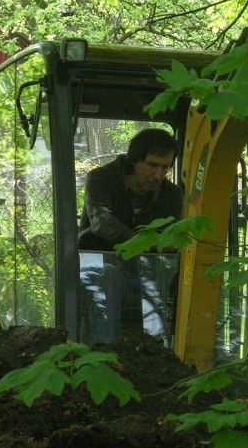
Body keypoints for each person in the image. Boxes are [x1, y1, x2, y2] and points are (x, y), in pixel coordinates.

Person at [77, 127, 183, 343]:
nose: (158, 175)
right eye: (152, 165)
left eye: (165, 167)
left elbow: (172, 239)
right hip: (95, 264)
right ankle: (104, 355)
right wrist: (148, 243)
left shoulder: (171, 194)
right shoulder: (100, 179)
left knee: (159, 277)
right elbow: (101, 223)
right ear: (134, 160)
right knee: (110, 275)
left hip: (145, 270)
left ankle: (157, 355)